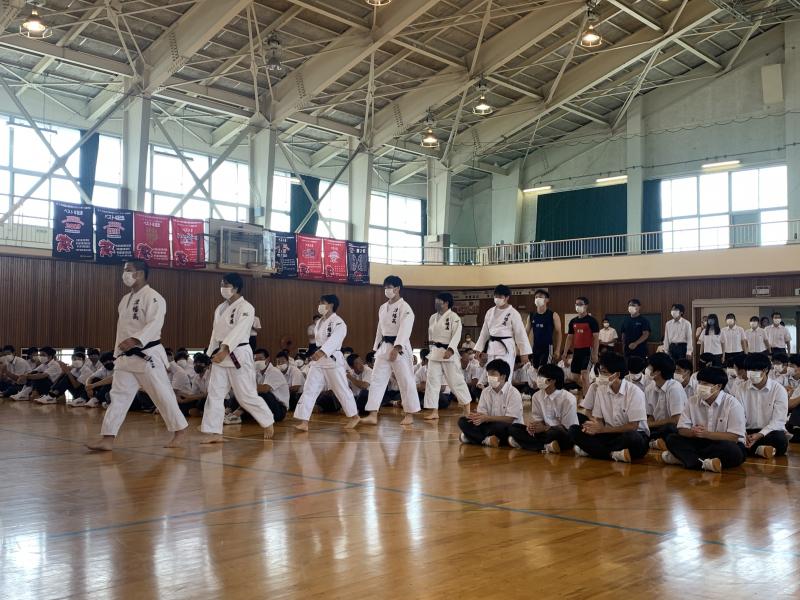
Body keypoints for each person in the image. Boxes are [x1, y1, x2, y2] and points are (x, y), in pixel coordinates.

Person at [86, 260, 188, 451]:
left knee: (161, 394)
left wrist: (135, 340)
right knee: (118, 397)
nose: (124, 273)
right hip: (126, 358)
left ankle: (180, 431)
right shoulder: (125, 299)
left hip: (147, 355)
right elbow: (122, 330)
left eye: (128, 270)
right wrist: (118, 353)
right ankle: (108, 438)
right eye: (124, 270)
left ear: (139, 273)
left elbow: (155, 324)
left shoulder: (154, 297)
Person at [199, 273, 275, 443]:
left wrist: (225, 350)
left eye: (225, 284)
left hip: (238, 354)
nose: (222, 288)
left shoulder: (247, 307)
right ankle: (214, 432)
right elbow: (215, 333)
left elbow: (239, 331)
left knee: (245, 395)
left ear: (235, 287)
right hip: (220, 355)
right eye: (221, 284)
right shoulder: (220, 308)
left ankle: (267, 421)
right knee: (215, 394)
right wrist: (210, 354)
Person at [660, 367, 747, 473]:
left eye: (705, 383)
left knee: (733, 450)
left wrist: (707, 434)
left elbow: (733, 437)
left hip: (721, 443)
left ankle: (685, 459)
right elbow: (682, 429)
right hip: (699, 441)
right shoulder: (692, 401)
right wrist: (693, 432)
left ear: (718, 386)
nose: (700, 386)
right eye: (700, 382)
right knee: (672, 438)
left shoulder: (733, 404)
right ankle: (705, 463)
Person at [293, 295, 360, 431]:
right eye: (319, 303)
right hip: (319, 360)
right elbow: (317, 342)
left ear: (331, 305)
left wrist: (322, 352)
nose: (320, 305)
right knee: (309, 388)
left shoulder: (339, 322)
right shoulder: (319, 322)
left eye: (322, 303)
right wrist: (316, 353)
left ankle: (354, 416)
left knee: (340, 389)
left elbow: (335, 339)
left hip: (332, 359)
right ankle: (304, 421)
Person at [568, 352, 649, 463]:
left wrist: (602, 430)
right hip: (609, 434)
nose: (600, 376)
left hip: (632, 434)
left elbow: (633, 426)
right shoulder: (601, 389)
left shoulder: (635, 392)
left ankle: (596, 451)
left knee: (632, 437)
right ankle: (612, 454)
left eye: (604, 372)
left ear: (617, 374)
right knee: (574, 430)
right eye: (600, 372)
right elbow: (599, 420)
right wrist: (595, 427)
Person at [361, 276, 420, 427]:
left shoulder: (405, 307)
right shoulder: (382, 307)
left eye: (390, 287)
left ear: (397, 288)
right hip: (384, 347)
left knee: (405, 380)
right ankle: (372, 414)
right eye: (385, 287)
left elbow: (405, 328)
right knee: (377, 379)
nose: (387, 290)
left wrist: (397, 347)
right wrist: (376, 348)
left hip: (399, 347)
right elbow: (379, 329)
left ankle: (409, 414)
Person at [424, 292, 473, 420]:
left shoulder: (454, 317)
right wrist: (431, 350)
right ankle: (434, 411)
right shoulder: (432, 317)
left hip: (448, 352)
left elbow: (457, 334)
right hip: (435, 353)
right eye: (436, 301)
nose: (436, 303)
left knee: (455, 381)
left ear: (446, 303)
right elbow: (430, 337)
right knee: (432, 381)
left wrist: (450, 350)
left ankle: (467, 408)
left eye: (438, 301)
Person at [508, 363, 578, 453]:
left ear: (553, 381)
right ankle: (546, 446)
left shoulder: (568, 399)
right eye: (539, 376)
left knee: (554, 433)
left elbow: (567, 428)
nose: (538, 380)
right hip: (544, 432)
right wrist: (533, 427)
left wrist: (545, 428)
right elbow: (539, 420)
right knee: (514, 428)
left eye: (542, 377)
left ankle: (525, 443)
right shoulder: (536, 396)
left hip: (561, 433)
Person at [458, 359, 523, 447]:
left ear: (503, 376)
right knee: (463, 421)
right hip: (489, 424)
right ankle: (487, 440)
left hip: (506, 426)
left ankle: (472, 437)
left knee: (499, 427)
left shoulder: (513, 393)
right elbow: (482, 415)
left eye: (493, 374)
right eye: (488, 374)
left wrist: (487, 418)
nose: (489, 377)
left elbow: (510, 419)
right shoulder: (485, 391)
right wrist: (476, 417)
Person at [736, 353, 789, 459]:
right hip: (748, 430)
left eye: (755, 370)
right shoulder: (741, 388)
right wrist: (743, 432)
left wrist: (760, 435)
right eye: (749, 370)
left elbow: (778, 420)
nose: (751, 373)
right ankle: (760, 450)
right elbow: (738, 415)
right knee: (734, 440)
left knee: (780, 440)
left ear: (765, 370)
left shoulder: (778, 389)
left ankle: (751, 450)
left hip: (769, 431)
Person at [475, 284, 531, 375]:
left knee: (504, 375)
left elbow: (520, 334)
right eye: (495, 296)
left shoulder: (513, 313)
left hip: (506, 349)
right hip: (492, 348)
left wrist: (524, 353)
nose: (497, 298)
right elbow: (484, 333)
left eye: (500, 296)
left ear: (507, 297)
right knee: (491, 375)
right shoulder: (490, 312)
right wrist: (478, 349)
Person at [644, 352, 687, 451]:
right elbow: (651, 416)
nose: (647, 369)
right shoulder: (649, 388)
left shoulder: (674, 388)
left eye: (650, 367)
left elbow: (676, 420)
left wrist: (650, 424)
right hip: (657, 427)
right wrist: (646, 425)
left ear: (657, 372)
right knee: (637, 431)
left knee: (670, 428)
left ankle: (653, 442)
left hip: (675, 428)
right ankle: (655, 442)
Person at [561, 296, 599, 394]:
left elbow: (596, 338)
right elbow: (569, 338)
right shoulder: (573, 321)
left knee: (584, 373)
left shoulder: (592, 321)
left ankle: (586, 398)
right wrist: (565, 353)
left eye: (580, 304)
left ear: (586, 306)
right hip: (577, 351)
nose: (578, 306)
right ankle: (592, 392)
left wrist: (595, 354)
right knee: (575, 377)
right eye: (576, 304)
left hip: (588, 350)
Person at [526, 289, 562, 368]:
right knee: (535, 370)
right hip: (535, 348)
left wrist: (557, 349)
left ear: (547, 300)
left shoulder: (553, 315)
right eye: (536, 297)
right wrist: (524, 349)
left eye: (540, 297)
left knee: (543, 370)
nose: (537, 299)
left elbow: (558, 333)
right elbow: (526, 333)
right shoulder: (531, 316)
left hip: (547, 348)